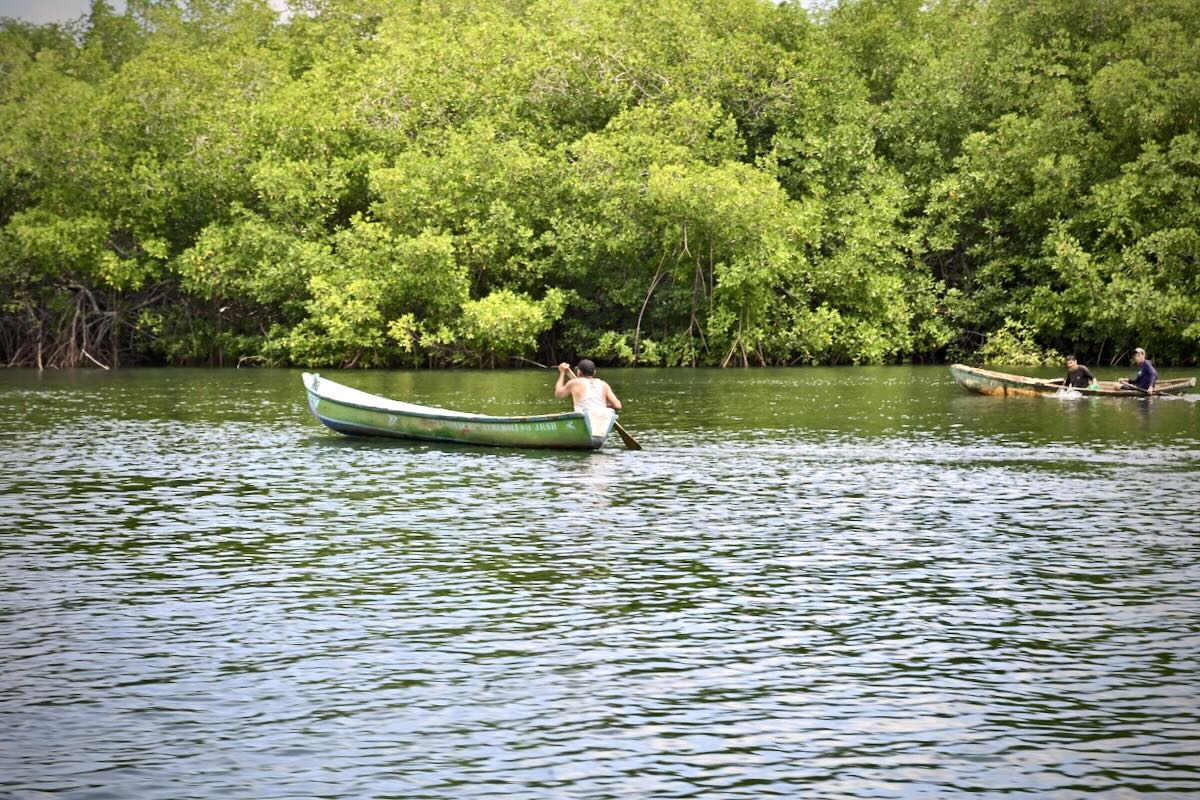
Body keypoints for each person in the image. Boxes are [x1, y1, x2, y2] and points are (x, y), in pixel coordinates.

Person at [555, 359, 622, 413]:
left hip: (583, 417)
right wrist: (604, 406)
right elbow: (618, 406)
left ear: (578, 372)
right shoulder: (604, 384)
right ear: (594, 373)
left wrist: (562, 373)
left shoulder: (574, 383)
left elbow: (558, 394)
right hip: (601, 416)